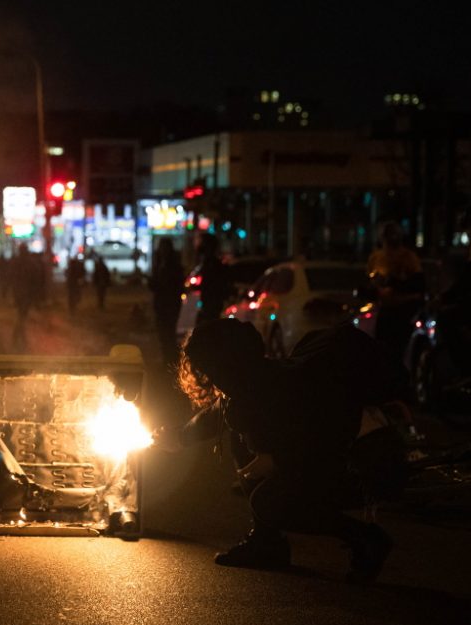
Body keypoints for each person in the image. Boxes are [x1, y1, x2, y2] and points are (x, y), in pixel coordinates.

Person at [158, 319, 406, 582]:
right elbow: (217, 412)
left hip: (368, 468)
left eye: (205, 366)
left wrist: (272, 462)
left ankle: (366, 539)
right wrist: (179, 437)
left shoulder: (266, 395)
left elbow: (321, 442)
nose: (205, 375)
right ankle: (266, 544)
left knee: (268, 502)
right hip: (340, 458)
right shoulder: (261, 377)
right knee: (244, 445)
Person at [367, 221, 424, 363]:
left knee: (398, 350)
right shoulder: (376, 257)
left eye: (393, 234)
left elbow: (417, 283)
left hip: (404, 309)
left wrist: (393, 282)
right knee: (380, 349)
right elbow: (371, 280)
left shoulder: (408, 257)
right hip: (385, 308)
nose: (390, 238)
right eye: (386, 234)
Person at [148, 237, 186, 365]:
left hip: (169, 305)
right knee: (164, 335)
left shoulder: (172, 266)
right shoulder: (160, 264)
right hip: (162, 304)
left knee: (168, 334)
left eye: (164, 248)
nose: (162, 251)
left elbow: (170, 286)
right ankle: (169, 361)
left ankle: (171, 362)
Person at [194, 232, 229, 324]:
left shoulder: (212, 264)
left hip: (211, 303)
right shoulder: (208, 263)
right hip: (209, 302)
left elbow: (212, 284)